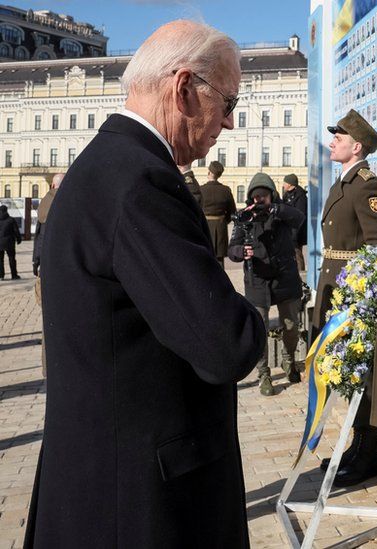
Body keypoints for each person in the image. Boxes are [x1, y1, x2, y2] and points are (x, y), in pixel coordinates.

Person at [25, 20, 265, 548]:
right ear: (183, 89)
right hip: (137, 499)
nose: (227, 123)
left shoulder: (106, 163)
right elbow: (225, 344)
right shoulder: (141, 181)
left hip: (102, 474)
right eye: (227, 103)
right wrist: (253, 308)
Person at [312, 109, 377, 484]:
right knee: (351, 375)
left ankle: (367, 452)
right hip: (336, 287)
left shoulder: (366, 186)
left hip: (353, 295)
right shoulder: (343, 182)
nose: (333, 142)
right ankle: (356, 447)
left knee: (364, 374)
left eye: (339, 138)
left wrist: (360, 293)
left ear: (356, 147)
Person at [228, 173, 305, 396]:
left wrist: (275, 209)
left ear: (272, 195)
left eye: (264, 196)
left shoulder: (281, 213)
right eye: (256, 196)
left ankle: (288, 358)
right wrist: (241, 252)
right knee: (259, 329)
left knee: (291, 326)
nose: (260, 200)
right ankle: (264, 374)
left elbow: (299, 218)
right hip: (257, 281)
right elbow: (233, 248)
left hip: (285, 279)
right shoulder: (244, 218)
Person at [199, 160, 237, 267]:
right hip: (220, 227)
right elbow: (232, 212)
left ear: (209, 173)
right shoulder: (225, 190)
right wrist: (222, 221)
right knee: (219, 261)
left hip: (204, 227)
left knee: (204, 257)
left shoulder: (201, 190)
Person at [31, 173, 62, 278]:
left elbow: (40, 235)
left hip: (47, 260)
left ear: (52, 185)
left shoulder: (45, 202)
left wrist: (36, 261)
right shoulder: (73, 200)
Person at [281, 173, 309, 272]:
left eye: (285, 182)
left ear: (290, 184)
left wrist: (294, 234)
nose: (283, 185)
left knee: (297, 254)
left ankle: (301, 277)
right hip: (288, 230)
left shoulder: (300, 196)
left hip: (296, 232)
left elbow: (300, 216)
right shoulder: (286, 195)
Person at [0, 204, 21, 280]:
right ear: (6, 210)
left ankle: (1, 276)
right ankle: (14, 275)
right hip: (9, 243)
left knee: (0, 260)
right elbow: (16, 231)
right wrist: (19, 239)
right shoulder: (11, 220)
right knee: (12, 259)